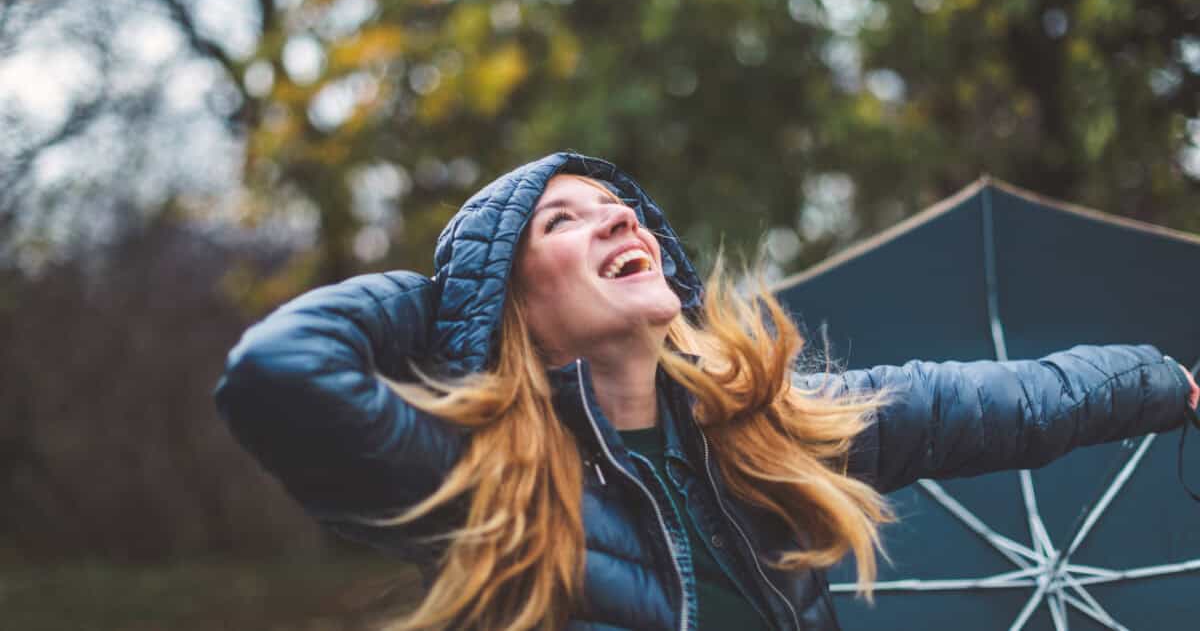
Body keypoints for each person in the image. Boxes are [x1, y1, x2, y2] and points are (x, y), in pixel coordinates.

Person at [214, 152, 1200, 631]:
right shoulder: (478, 485)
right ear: (506, 300)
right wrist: (451, 302)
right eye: (561, 222)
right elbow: (277, 372)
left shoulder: (778, 434)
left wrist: (1178, 385)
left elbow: (1020, 401)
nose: (612, 220)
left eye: (620, 210)